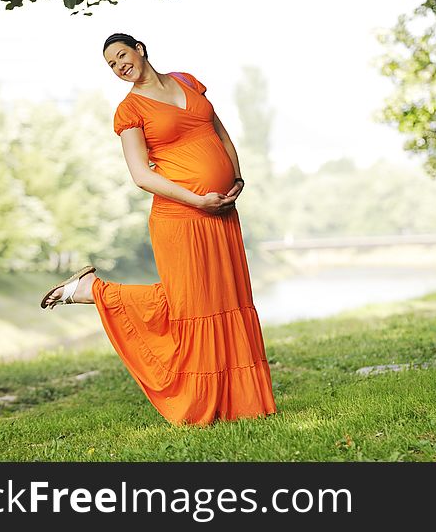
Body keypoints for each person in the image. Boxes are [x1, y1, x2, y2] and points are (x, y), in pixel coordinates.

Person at [39, 32, 277, 427]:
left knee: (225, 300)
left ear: (140, 49)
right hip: (180, 217)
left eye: (122, 56)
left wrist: (236, 178)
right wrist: (196, 199)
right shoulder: (130, 110)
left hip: (222, 211)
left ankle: (241, 403)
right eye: (112, 65)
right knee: (190, 305)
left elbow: (219, 133)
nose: (120, 66)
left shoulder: (187, 81)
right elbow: (140, 175)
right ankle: (93, 291)